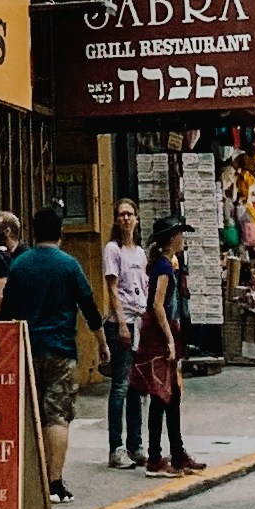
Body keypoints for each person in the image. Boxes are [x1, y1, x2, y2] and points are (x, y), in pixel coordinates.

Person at [0, 199, 105, 503]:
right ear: (61, 233)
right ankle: (54, 482)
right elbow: (90, 308)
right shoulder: (70, 265)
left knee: (29, 416)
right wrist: (102, 344)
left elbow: (8, 309)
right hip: (61, 351)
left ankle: (28, 482)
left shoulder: (19, 265)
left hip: (26, 349)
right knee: (57, 416)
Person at [133, 216, 198, 473]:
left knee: (172, 395)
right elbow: (157, 305)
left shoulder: (167, 264)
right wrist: (170, 339)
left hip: (165, 332)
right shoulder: (162, 267)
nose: (183, 239)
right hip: (160, 335)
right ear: (172, 238)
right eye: (180, 234)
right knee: (161, 395)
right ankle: (154, 458)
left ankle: (177, 452)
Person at [101, 198, 148, 463]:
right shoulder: (113, 249)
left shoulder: (139, 253)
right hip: (123, 322)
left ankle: (135, 444)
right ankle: (116, 447)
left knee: (135, 387)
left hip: (139, 321)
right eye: (121, 214)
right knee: (120, 385)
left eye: (130, 214)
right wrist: (121, 324)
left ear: (137, 218)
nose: (126, 219)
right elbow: (113, 289)